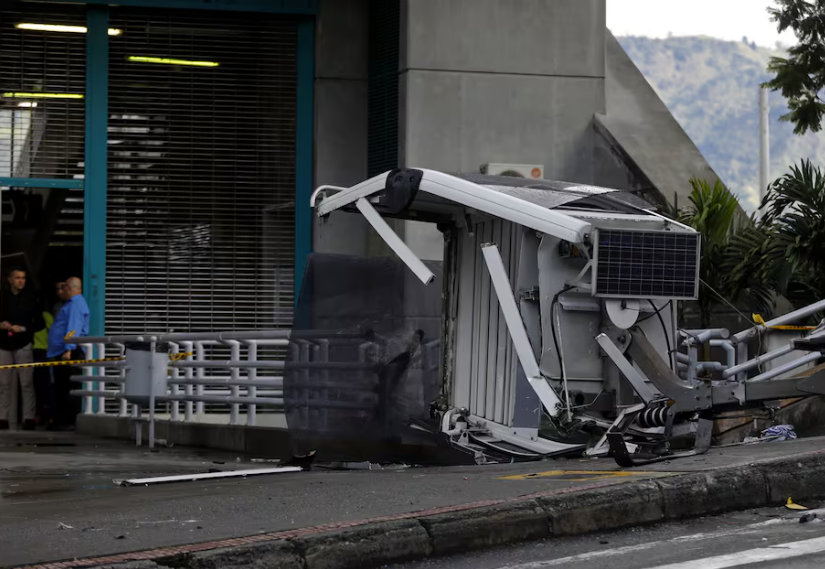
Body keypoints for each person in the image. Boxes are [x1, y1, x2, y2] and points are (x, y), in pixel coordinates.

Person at [0, 268, 44, 430]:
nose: (21, 281)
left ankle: (28, 418)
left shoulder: (31, 298)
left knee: (26, 382)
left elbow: (40, 323)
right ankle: (2, 417)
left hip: (24, 343)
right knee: (3, 383)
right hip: (3, 344)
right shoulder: (2, 297)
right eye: (17, 278)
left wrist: (24, 328)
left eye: (23, 278)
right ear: (10, 279)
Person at [47, 277, 89, 429]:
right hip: (62, 350)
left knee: (68, 387)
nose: (62, 291)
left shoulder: (75, 304)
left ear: (70, 288)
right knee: (61, 386)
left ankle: (68, 421)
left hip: (69, 351)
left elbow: (73, 328)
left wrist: (68, 349)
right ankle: (62, 419)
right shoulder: (70, 304)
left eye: (64, 288)